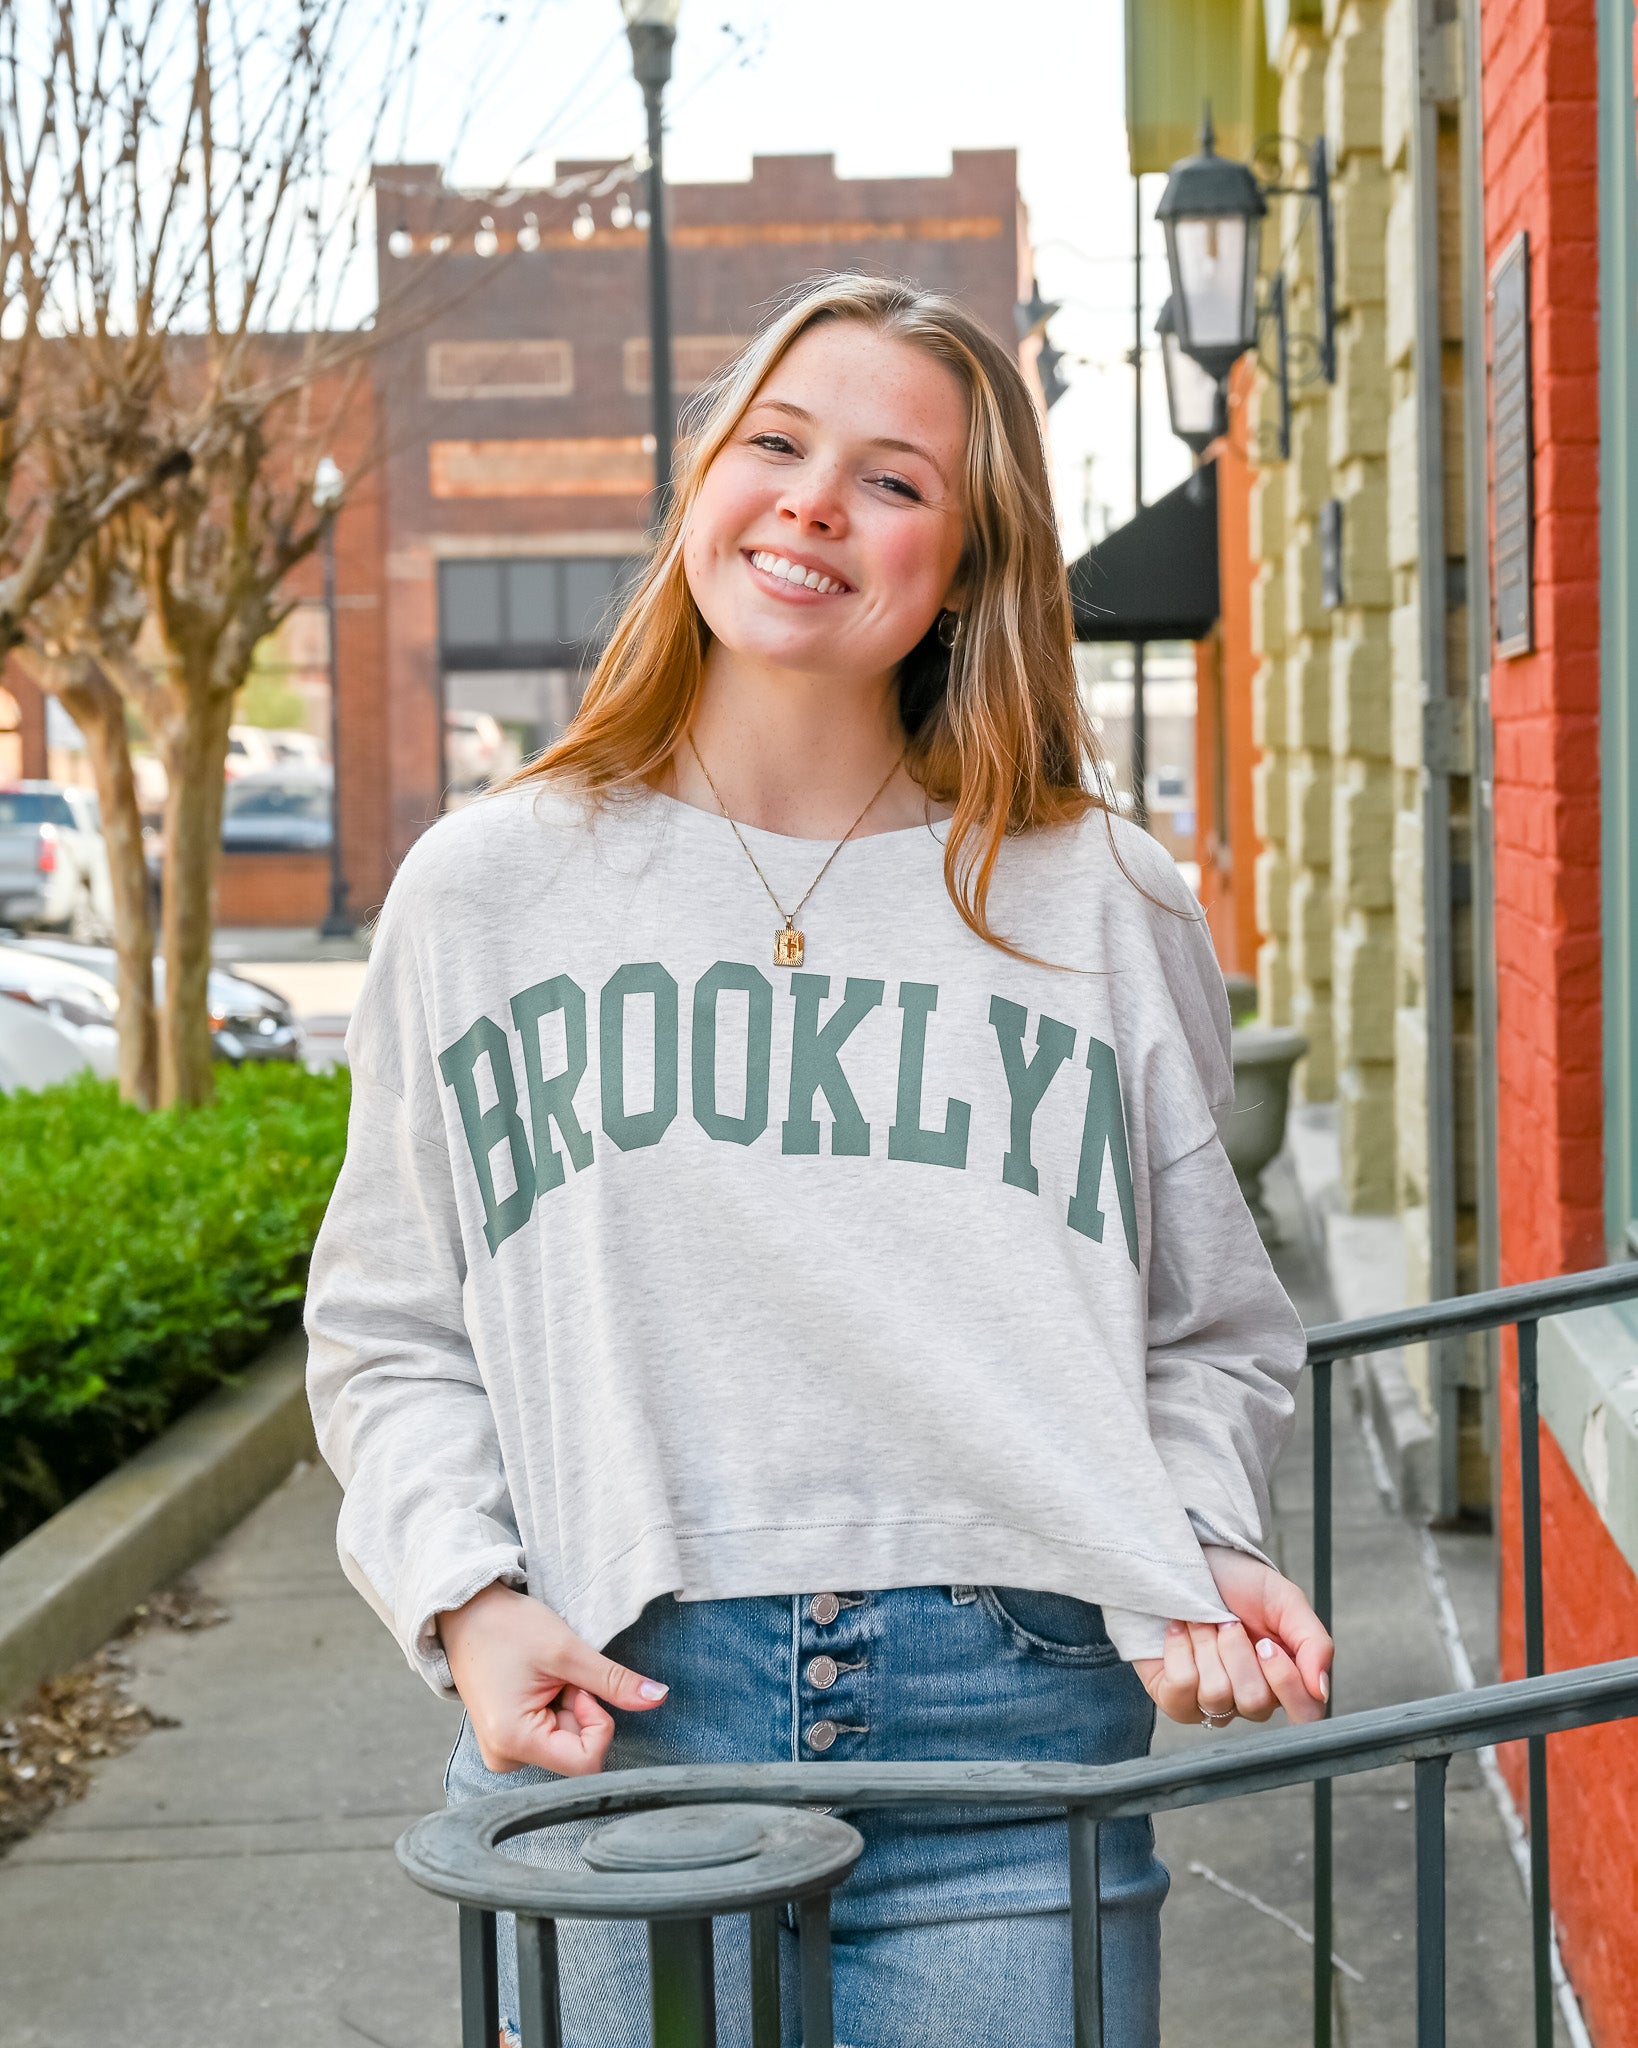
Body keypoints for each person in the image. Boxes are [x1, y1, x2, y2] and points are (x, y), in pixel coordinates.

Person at [305, 272, 1332, 2048]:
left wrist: (1190, 1536)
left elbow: (1211, 1329)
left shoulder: (1093, 897)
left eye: (892, 477)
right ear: (700, 484)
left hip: (1010, 1728)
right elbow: (393, 1327)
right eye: (773, 444)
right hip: (620, 1718)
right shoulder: (487, 892)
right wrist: (464, 1601)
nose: (811, 502)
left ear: (967, 559)